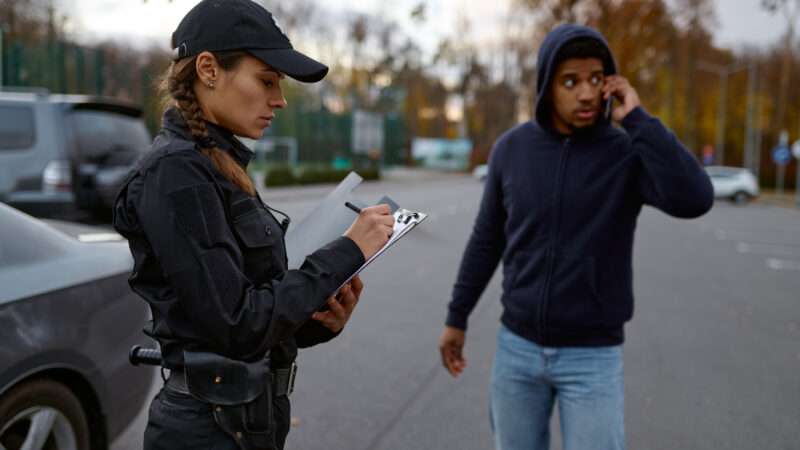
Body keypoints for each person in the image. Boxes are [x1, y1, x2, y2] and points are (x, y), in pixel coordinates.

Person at [111, 1, 395, 449]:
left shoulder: (217, 165)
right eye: (266, 81)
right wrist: (347, 252)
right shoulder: (175, 175)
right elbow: (235, 325)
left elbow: (247, 319)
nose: (279, 99)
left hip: (245, 422)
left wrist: (318, 321)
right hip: (208, 431)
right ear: (208, 69)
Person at [438, 24, 714, 450]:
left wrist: (638, 120)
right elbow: (486, 239)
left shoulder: (625, 154)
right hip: (518, 350)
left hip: (593, 358)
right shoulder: (512, 149)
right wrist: (457, 316)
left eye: (596, 79)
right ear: (548, 86)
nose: (586, 93)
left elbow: (695, 198)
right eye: (570, 81)